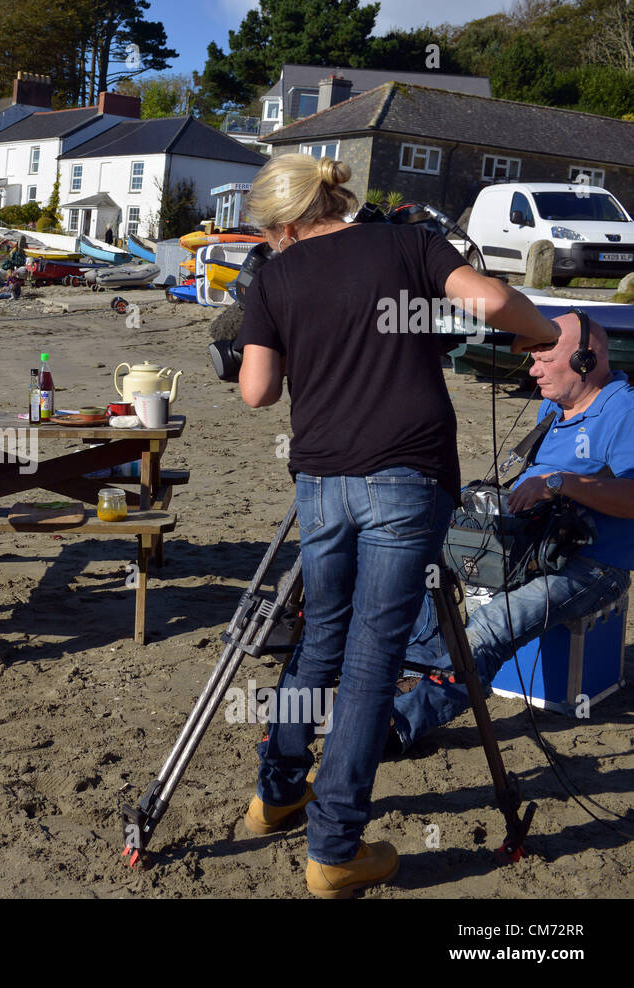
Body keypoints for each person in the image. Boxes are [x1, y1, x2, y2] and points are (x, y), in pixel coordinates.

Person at [234, 153, 559, 898]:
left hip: (320, 479)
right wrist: (541, 334)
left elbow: (256, 390)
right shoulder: (402, 242)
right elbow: (488, 301)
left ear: (283, 224)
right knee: (374, 660)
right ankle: (334, 848)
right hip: (405, 476)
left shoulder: (274, 277)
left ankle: (279, 792)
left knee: (321, 639)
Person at [392, 312, 634, 751]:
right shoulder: (553, 405)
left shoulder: (624, 411)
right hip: (530, 546)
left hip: (593, 566)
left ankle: (394, 726)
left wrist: (563, 483)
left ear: (585, 359)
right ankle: (420, 673)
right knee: (413, 557)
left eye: (544, 359)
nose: (533, 370)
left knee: (490, 627)